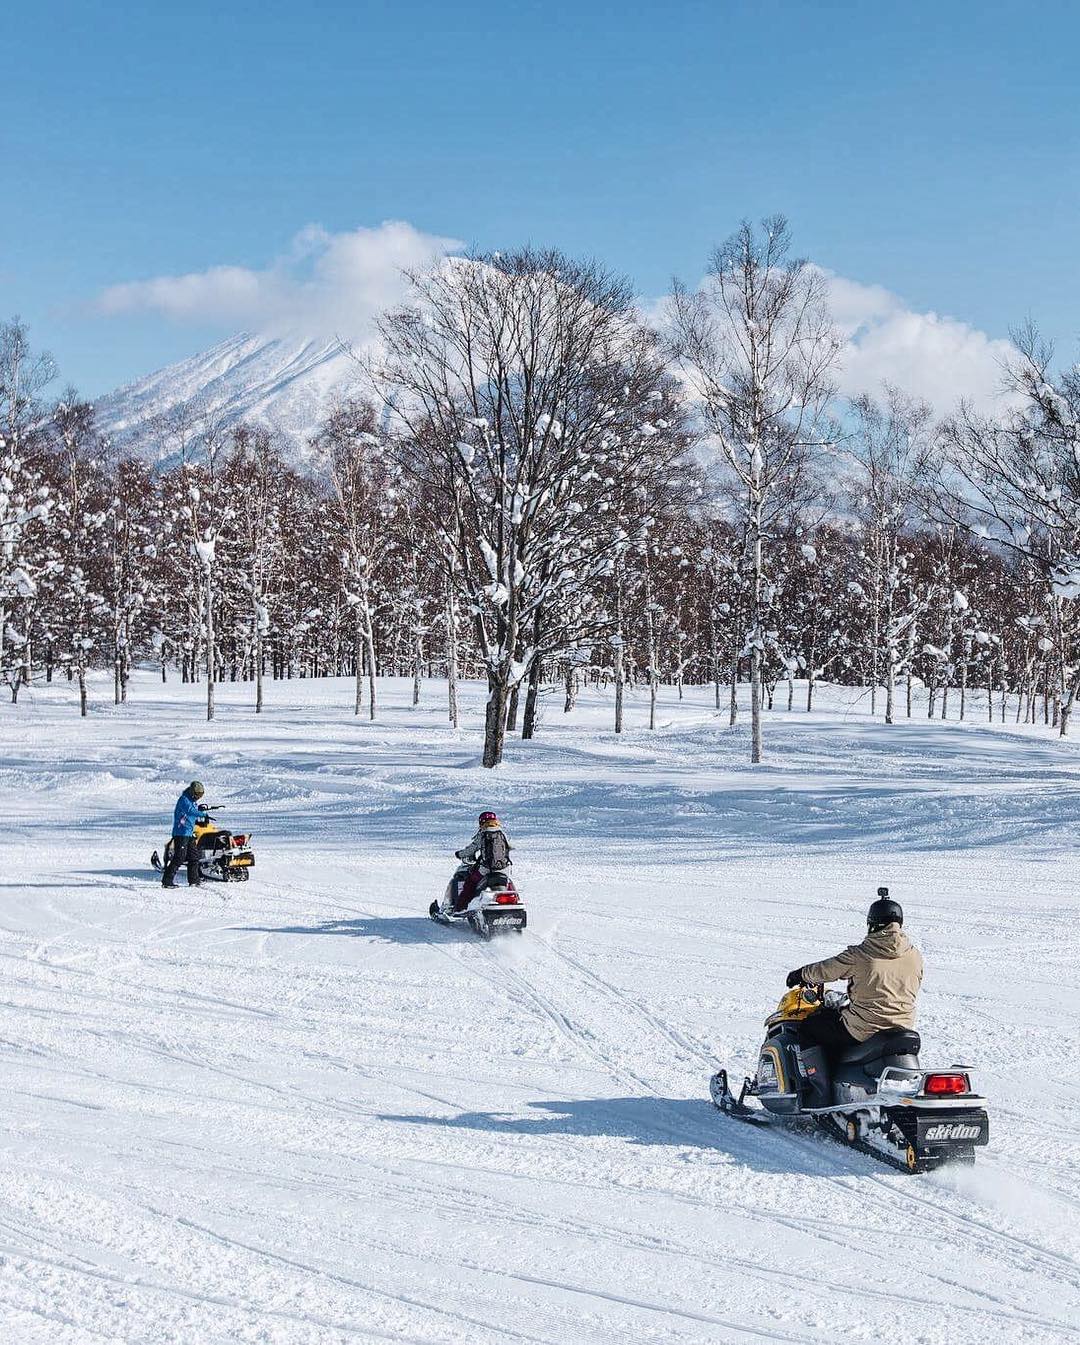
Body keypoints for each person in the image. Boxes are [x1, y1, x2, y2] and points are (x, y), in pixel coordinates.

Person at [785, 893, 924, 1059]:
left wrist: (801, 974)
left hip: (864, 1029)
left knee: (810, 1027)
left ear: (872, 923)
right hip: (904, 1026)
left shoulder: (860, 954)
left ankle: (818, 1084)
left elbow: (827, 970)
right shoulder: (915, 955)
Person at [448, 811, 512, 913]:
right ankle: (512, 901)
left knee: (470, 883)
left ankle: (460, 908)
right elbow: (510, 847)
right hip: (504, 869)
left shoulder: (483, 834)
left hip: (486, 869)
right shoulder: (502, 833)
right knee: (508, 883)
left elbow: (471, 850)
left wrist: (459, 854)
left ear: (481, 822)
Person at [162, 780, 207, 888]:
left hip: (189, 833)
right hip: (181, 833)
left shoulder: (192, 801)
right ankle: (167, 881)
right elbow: (190, 811)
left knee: (193, 857)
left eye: (201, 795)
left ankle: (194, 881)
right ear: (192, 792)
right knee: (179, 857)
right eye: (197, 795)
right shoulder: (184, 800)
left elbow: (192, 815)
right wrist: (203, 814)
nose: (199, 797)